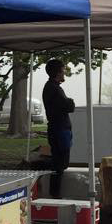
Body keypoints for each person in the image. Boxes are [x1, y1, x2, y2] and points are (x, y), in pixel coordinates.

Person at [42, 58, 75, 197]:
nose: (64, 74)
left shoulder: (53, 87)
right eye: (62, 71)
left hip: (60, 129)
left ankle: (55, 192)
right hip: (59, 130)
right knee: (59, 163)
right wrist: (70, 101)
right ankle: (55, 194)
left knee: (60, 161)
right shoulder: (53, 88)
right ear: (57, 72)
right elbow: (68, 106)